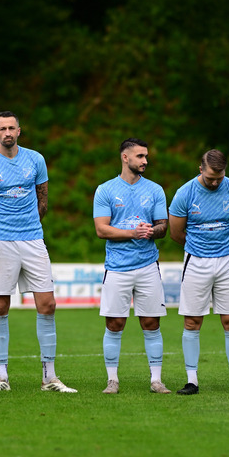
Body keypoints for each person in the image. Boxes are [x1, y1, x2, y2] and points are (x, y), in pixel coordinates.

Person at [0, 111, 76, 393]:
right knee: (0, 307)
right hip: (1, 241)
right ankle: (1, 377)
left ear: (20, 131)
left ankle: (49, 377)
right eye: (2, 128)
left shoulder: (36, 159)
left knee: (48, 305)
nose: (7, 132)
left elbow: (43, 199)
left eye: (12, 128)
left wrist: (30, 225)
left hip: (32, 239)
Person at [168, 149, 229, 395]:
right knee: (192, 321)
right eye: (210, 178)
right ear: (200, 169)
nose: (215, 182)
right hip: (195, 261)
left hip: (227, 261)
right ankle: (191, 380)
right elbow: (175, 233)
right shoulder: (185, 193)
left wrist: (223, 246)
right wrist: (201, 247)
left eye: (219, 177)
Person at [93, 138, 171, 394]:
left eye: (146, 156)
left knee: (151, 323)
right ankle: (112, 380)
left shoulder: (155, 190)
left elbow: (162, 225)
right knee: (115, 324)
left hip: (148, 266)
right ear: (125, 158)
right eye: (140, 156)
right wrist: (132, 233)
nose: (145, 161)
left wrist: (153, 230)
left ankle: (156, 380)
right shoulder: (105, 190)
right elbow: (101, 229)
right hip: (117, 267)